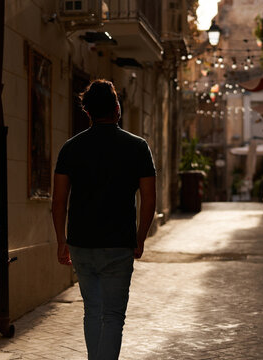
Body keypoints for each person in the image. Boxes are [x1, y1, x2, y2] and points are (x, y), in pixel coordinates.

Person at [52, 79, 156, 360]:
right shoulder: (137, 147)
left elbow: (58, 201)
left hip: (81, 243)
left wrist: (62, 241)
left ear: (88, 112)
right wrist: (140, 237)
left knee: (92, 311)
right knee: (112, 316)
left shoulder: (71, 148)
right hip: (119, 243)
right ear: (117, 109)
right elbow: (149, 198)